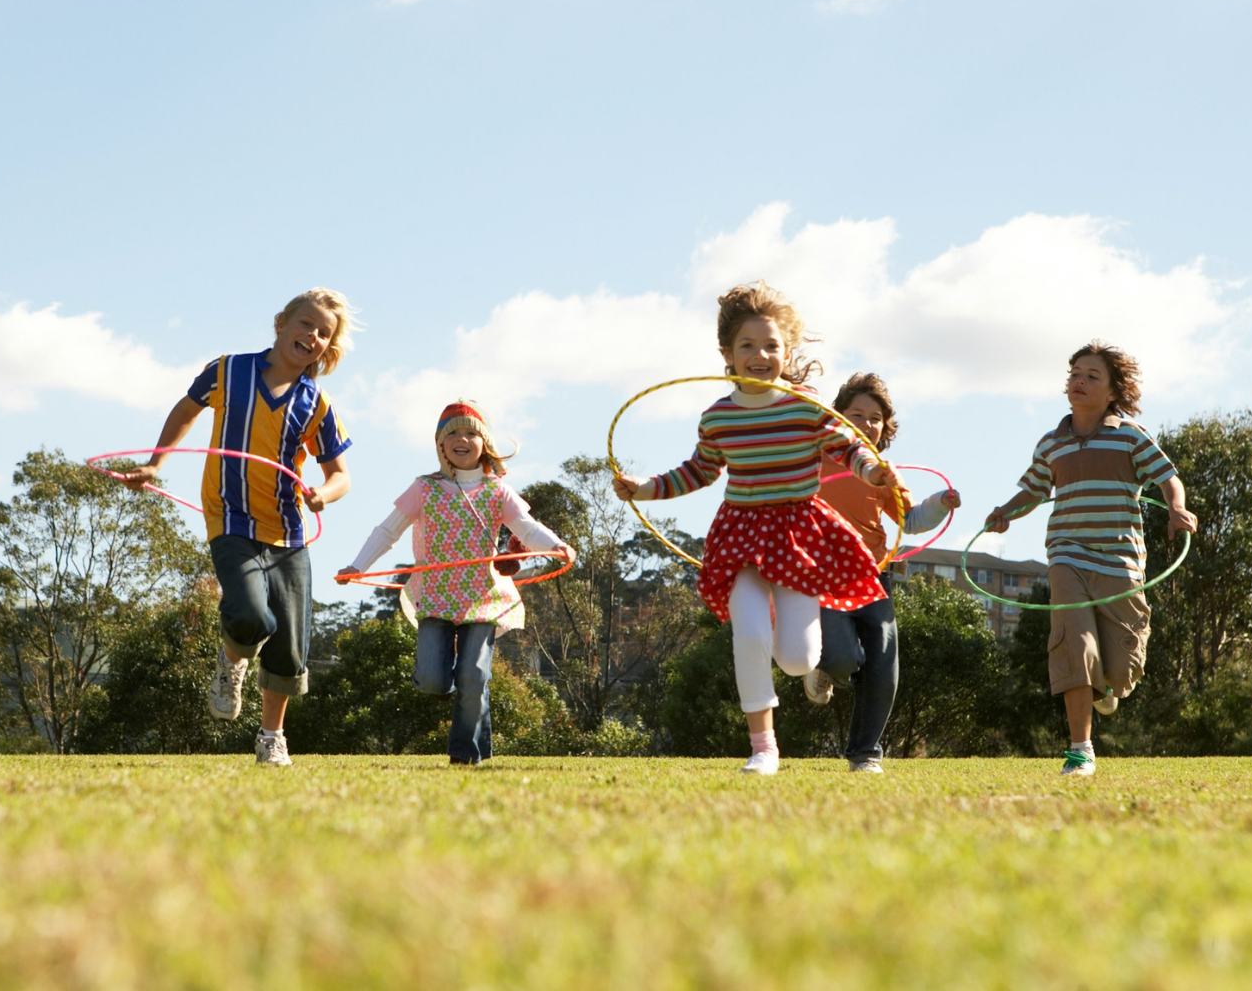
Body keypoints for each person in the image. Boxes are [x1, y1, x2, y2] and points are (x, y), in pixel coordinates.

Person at [613, 281, 900, 776]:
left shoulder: (805, 405)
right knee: (746, 633)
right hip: (741, 537)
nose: (760, 354)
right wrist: (642, 489)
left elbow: (846, 449)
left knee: (796, 658)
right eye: (747, 345)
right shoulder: (718, 418)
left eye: (771, 346)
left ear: (786, 353)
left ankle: (789, 645)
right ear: (727, 354)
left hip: (799, 539)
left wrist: (873, 471)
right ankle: (763, 747)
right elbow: (697, 471)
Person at [125, 288, 355, 767]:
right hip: (230, 515)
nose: (311, 336)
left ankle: (272, 736)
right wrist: (154, 465)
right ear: (281, 323)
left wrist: (321, 495)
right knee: (252, 616)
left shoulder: (317, 404)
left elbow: (340, 477)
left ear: (327, 348)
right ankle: (232, 660)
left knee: (291, 647)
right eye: (305, 323)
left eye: (322, 333)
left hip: (289, 531)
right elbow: (186, 410)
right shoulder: (229, 371)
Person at [985, 341, 1197, 777]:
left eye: (1091, 375)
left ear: (1113, 390)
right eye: (1074, 374)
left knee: (1121, 670)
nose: (1078, 381)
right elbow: (1034, 490)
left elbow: (1168, 478)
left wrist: (1176, 507)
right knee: (1073, 644)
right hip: (1067, 556)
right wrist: (1006, 511)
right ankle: (1080, 751)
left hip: (1120, 562)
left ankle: (1107, 685)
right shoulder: (1052, 443)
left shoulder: (1130, 435)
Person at [338, 401, 575, 765]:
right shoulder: (424, 488)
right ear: (440, 445)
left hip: (483, 597)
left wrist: (556, 545)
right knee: (434, 680)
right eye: (452, 434)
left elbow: (526, 528)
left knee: (474, 675)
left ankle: (465, 756)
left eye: (470, 433)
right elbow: (388, 531)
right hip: (434, 596)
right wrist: (357, 565)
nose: (461, 439)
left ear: (485, 443)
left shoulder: (498, 491)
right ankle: (462, 691)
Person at [804, 371, 962, 773]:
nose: (866, 423)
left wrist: (942, 502)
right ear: (836, 417)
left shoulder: (884, 470)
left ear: (884, 427)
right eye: (856, 414)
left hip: (873, 574)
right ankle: (825, 670)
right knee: (842, 658)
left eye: (875, 418)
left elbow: (910, 520)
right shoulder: (812, 458)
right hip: (823, 575)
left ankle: (865, 755)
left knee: (883, 666)